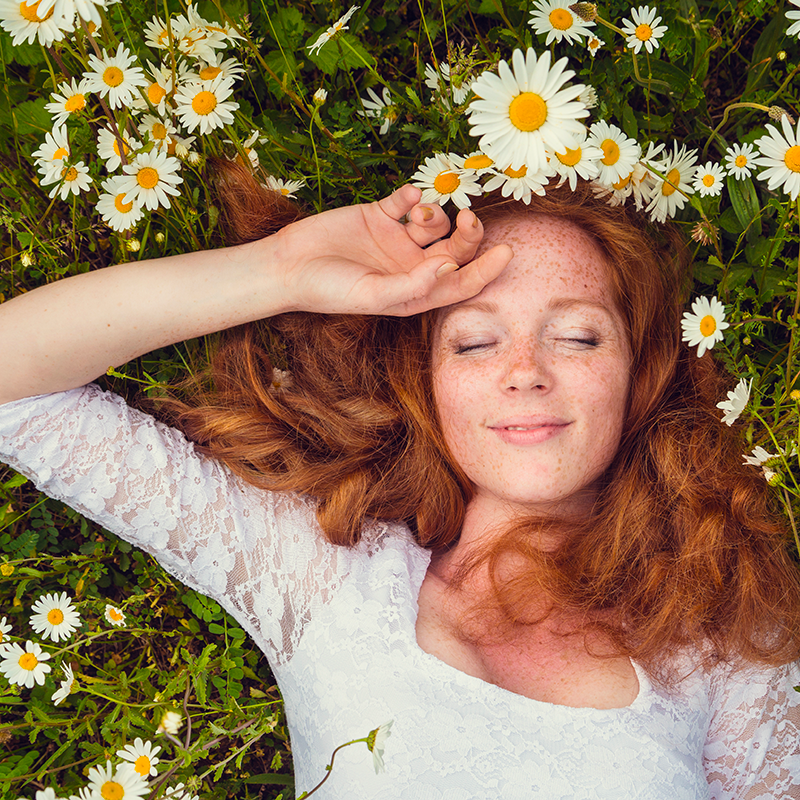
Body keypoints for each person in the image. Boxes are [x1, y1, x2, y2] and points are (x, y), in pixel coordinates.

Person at [0, 167, 798, 799]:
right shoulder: (323, 577)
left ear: (639, 374)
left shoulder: (724, 644)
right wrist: (283, 269)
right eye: (476, 343)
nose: (524, 373)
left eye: (578, 336)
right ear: (427, 383)